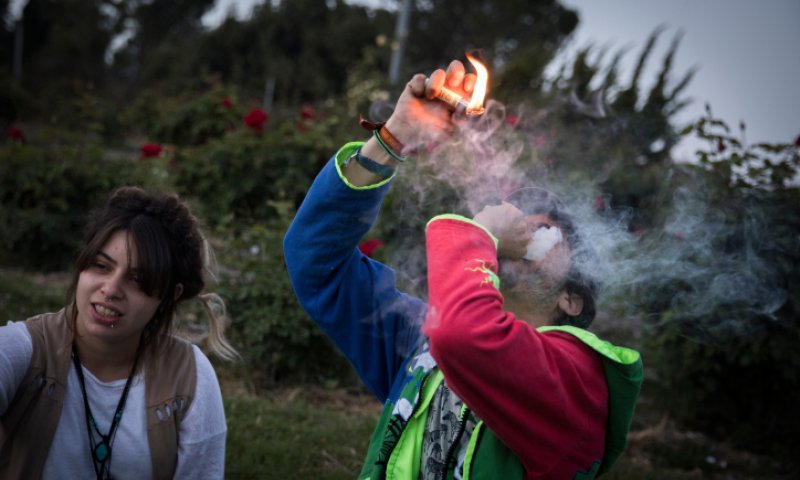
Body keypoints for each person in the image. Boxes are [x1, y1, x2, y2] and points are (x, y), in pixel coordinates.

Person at [284, 59, 643, 479]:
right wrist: (392, 137)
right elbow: (315, 262)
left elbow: (468, 337)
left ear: (571, 298)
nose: (522, 221)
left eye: (546, 225)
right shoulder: (422, 340)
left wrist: (480, 234)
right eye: (520, 212)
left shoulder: (575, 377)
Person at [0, 186, 238, 479]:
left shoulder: (190, 377)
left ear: (169, 295)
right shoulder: (23, 350)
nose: (111, 289)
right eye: (101, 266)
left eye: (138, 279)